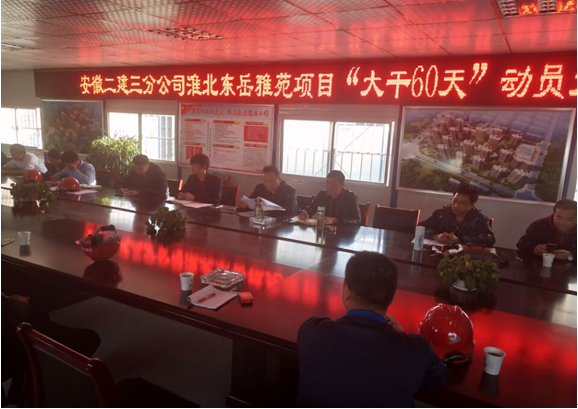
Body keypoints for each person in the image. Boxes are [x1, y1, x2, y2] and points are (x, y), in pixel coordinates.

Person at [297, 252, 446, 407]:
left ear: (346, 291)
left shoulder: (311, 333)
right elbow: (438, 378)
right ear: (392, 296)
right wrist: (402, 336)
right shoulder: (416, 350)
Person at [2, 293, 100, 405]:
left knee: (41, 315)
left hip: (12, 342)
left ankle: (22, 386)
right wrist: (22, 304)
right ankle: (40, 390)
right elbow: (11, 319)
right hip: (11, 351)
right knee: (89, 340)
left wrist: (10, 300)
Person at [419, 184, 495, 247]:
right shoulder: (440, 214)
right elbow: (420, 228)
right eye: (454, 201)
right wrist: (436, 236)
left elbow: (489, 239)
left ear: (472, 205)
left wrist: (460, 240)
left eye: (462, 203)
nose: (455, 206)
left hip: (466, 257)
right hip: (439, 254)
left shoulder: (480, 220)